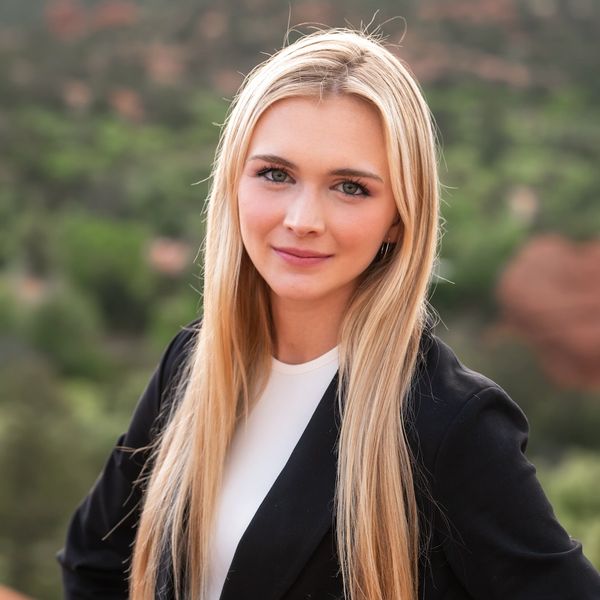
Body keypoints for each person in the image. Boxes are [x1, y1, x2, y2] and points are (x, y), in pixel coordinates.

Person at [57, 28, 600, 600]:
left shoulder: (451, 422)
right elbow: (93, 563)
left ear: (398, 218)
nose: (302, 220)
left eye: (350, 187)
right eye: (276, 174)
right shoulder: (191, 363)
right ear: (234, 183)